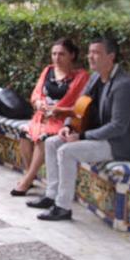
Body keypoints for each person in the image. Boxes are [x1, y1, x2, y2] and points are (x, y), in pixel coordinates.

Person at [28, 37, 130, 221]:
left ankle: (63, 207)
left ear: (111, 57)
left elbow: (118, 127)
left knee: (67, 151)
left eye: (97, 53)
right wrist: (68, 126)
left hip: (121, 144)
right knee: (52, 142)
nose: (91, 57)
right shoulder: (95, 78)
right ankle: (50, 196)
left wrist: (82, 135)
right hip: (101, 136)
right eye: (90, 52)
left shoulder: (124, 86)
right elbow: (79, 107)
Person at [12, 39, 90, 196]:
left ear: (72, 55)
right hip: (42, 117)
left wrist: (60, 110)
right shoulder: (48, 70)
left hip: (63, 120)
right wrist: (39, 103)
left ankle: (26, 181)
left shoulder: (81, 77)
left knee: (43, 138)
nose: (56, 58)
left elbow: (81, 106)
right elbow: (36, 93)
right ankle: (30, 174)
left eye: (61, 54)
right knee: (24, 133)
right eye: (54, 54)